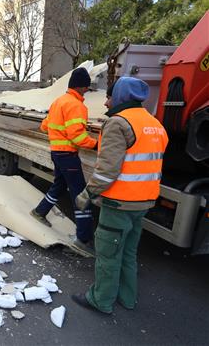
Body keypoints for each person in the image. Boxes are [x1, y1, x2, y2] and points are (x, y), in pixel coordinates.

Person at [72, 76, 168, 314]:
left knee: (108, 254)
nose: (106, 103)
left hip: (119, 203)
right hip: (143, 202)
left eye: (109, 96)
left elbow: (108, 170)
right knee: (128, 252)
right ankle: (127, 298)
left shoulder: (118, 123)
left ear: (121, 97)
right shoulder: (154, 123)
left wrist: (87, 194)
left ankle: (101, 300)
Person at [30, 67, 97, 253]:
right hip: (68, 155)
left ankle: (40, 212)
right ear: (82, 87)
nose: (87, 91)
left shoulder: (58, 102)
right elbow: (77, 137)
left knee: (59, 186)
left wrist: (58, 132)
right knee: (80, 195)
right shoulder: (77, 106)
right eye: (87, 88)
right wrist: (96, 144)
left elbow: (44, 126)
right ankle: (83, 239)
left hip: (57, 153)